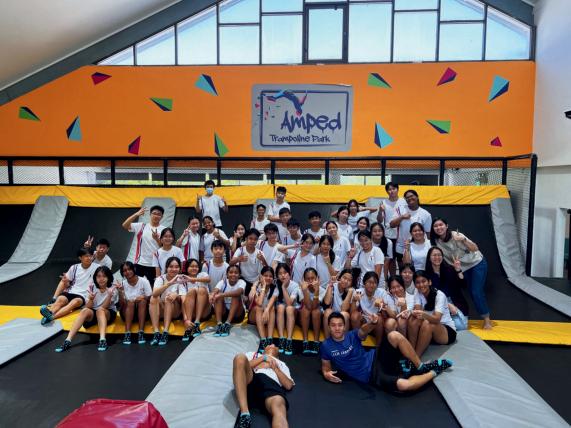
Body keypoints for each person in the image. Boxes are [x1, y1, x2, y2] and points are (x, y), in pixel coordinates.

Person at [320, 312, 453, 394]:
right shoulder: (326, 346)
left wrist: (373, 323)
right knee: (404, 385)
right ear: (329, 326)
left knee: (394, 335)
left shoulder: (352, 335)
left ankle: (420, 366)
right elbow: (326, 367)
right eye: (333, 325)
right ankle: (434, 371)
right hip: (372, 375)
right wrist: (326, 374)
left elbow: (364, 330)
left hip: (376, 357)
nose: (337, 328)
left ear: (344, 326)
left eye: (340, 325)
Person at [431, 217, 492, 330]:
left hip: (476, 263)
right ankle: (464, 315)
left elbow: (475, 248)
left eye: (441, 225)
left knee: (476, 292)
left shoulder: (456, 235)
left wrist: (463, 239)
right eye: (436, 226)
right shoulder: (437, 241)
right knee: (468, 291)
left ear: (446, 226)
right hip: (461, 268)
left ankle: (487, 320)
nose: (439, 227)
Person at [55, 266, 118, 352]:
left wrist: (109, 296)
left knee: (100, 310)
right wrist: (91, 299)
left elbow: (104, 307)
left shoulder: (112, 289)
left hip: (108, 313)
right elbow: (88, 307)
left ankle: (102, 340)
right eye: (99, 276)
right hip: (95, 312)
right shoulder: (92, 287)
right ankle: (68, 340)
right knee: (84, 310)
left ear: (108, 277)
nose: (101, 279)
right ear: (95, 278)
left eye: (104, 276)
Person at [232, 343, 294, 428]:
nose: (272, 345)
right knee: (239, 357)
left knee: (279, 407)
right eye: (269, 344)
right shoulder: (254, 355)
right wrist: (263, 358)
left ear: (278, 354)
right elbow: (239, 366)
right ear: (264, 350)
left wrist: (275, 368)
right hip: (252, 380)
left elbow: (289, 385)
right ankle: (245, 414)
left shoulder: (281, 364)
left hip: (271, 386)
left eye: (275, 346)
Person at [40, 248, 97, 325]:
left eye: (90, 256)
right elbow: (67, 284)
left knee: (74, 302)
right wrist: (66, 281)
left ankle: (52, 317)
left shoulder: (97, 268)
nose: (89, 258)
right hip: (71, 291)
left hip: (83, 295)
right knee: (60, 299)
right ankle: (49, 313)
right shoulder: (74, 267)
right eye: (86, 256)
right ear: (80, 258)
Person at [407, 270, 457, 356]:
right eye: (418, 282)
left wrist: (423, 314)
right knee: (413, 319)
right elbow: (418, 313)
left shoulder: (439, 295)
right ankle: (411, 351)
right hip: (427, 329)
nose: (421, 285)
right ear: (415, 285)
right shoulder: (417, 292)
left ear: (429, 282)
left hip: (446, 331)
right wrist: (412, 313)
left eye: (423, 281)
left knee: (427, 323)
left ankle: (415, 358)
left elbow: (437, 319)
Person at [424, 246, 469, 332]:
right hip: (438, 304)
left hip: (456, 303)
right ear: (429, 258)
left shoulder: (450, 269)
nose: (437, 257)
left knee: (462, 327)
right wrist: (447, 304)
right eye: (434, 255)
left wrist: (458, 270)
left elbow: (464, 285)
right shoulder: (426, 275)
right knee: (448, 328)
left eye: (439, 255)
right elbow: (430, 294)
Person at [122, 205, 166, 283]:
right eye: (154, 213)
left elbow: (164, 247)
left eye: (159, 214)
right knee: (135, 284)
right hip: (140, 262)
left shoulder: (164, 229)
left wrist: (157, 239)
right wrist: (136, 214)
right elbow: (125, 225)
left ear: (162, 217)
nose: (156, 216)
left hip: (154, 264)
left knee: (153, 286)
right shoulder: (141, 226)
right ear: (150, 214)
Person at [390, 190, 431, 269]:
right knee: (404, 271)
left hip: (419, 247)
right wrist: (402, 217)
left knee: (419, 270)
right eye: (407, 197)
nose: (409, 198)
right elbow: (392, 225)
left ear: (417, 197)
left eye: (411, 196)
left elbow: (428, 234)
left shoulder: (426, 214)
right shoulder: (400, 209)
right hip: (401, 246)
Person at [149, 256, 183, 346]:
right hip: (162, 309)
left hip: (176, 310)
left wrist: (176, 295)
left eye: (176, 267)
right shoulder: (160, 278)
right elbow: (154, 293)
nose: (174, 269)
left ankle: (165, 332)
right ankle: (156, 332)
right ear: (166, 268)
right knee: (153, 298)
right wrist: (168, 284)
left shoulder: (182, 279)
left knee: (169, 298)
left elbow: (185, 299)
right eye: (171, 267)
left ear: (180, 268)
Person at [117, 261, 152, 345]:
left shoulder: (144, 281)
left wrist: (143, 297)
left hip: (143, 312)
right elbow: (121, 305)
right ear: (122, 273)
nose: (127, 272)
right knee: (130, 303)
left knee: (142, 301)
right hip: (127, 313)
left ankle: (141, 332)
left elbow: (150, 297)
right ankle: (127, 333)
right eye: (125, 270)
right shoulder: (122, 284)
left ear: (134, 269)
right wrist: (120, 292)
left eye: (129, 269)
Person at [377, 182, 407, 275]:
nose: (392, 191)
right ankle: (393, 278)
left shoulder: (403, 201)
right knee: (391, 259)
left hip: (402, 233)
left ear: (398, 189)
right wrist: (380, 211)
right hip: (389, 234)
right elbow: (379, 220)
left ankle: (403, 277)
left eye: (394, 189)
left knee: (401, 258)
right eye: (389, 189)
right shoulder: (384, 202)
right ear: (387, 191)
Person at [350, 271, 386, 345]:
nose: (372, 285)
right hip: (363, 319)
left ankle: (378, 347)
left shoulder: (381, 293)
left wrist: (382, 306)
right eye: (369, 282)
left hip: (376, 321)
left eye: (375, 282)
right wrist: (354, 301)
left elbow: (385, 315)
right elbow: (352, 314)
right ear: (364, 283)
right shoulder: (358, 292)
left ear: (377, 285)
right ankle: (357, 344)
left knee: (379, 318)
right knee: (355, 315)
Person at [248, 267, 279, 353]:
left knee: (271, 308)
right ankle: (263, 340)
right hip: (254, 316)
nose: (268, 278)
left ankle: (269, 339)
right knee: (259, 307)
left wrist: (266, 310)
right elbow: (259, 303)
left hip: (266, 316)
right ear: (261, 276)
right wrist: (263, 286)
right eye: (265, 275)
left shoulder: (275, 288)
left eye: (270, 276)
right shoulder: (256, 287)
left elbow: (272, 301)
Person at [210, 265, 247, 337]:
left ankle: (227, 324)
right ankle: (219, 324)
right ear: (227, 274)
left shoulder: (241, 282)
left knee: (235, 295)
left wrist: (221, 295)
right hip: (224, 313)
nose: (233, 274)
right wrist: (212, 295)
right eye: (231, 272)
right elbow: (215, 290)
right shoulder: (223, 282)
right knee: (217, 296)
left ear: (239, 275)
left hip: (237, 314)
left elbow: (239, 292)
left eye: (236, 273)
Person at [179, 258, 211, 340]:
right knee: (191, 291)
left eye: (196, 266)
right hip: (191, 312)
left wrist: (192, 279)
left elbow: (208, 279)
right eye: (191, 266)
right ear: (187, 268)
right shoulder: (183, 280)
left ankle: (197, 322)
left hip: (204, 311)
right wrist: (185, 320)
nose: (194, 268)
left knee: (201, 289)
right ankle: (189, 326)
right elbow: (183, 301)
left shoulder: (202, 274)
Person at [230, 228, 268, 297]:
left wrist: (263, 259)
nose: (253, 241)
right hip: (243, 280)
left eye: (255, 239)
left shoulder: (260, 252)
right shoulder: (240, 250)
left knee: (253, 299)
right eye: (250, 238)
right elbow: (230, 263)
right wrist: (238, 259)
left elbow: (267, 269)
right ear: (246, 239)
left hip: (256, 282)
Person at [296, 267, 324, 355]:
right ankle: (305, 341)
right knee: (305, 309)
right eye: (308, 279)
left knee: (316, 311)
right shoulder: (300, 289)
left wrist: (316, 291)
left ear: (317, 279)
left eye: (313, 278)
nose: (311, 281)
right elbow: (308, 306)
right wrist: (305, 291)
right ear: (304, 280)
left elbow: (314, 306)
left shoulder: (322, 290)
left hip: (317, 320)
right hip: (303, 319)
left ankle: (316, 341)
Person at [274, 263, 300, 355]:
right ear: (277, 276)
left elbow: (289, 303)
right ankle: (281, 339)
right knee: (281, 306)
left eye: (285, 272)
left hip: (292, 312)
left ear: (289, 273)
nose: (283, 275)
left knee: (289, 308)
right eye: (280, 273)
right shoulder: (275, 284)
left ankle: (289, 339)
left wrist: (283, 287)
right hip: (280, 312)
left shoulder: (295, 285)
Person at [322, 269, 355, 338]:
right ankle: (327, 340)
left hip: (342, 316)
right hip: (331, 314)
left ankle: (344, 341)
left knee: (345, 314)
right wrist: (330, 285)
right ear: (340, 278)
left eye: (349, 280)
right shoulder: (333, 285)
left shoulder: (352, 291)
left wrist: (350, 292)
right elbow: (327, 302)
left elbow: (344, 309)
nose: (346, 281)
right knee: (327, 311)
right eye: (344, 278)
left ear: (352, 283)